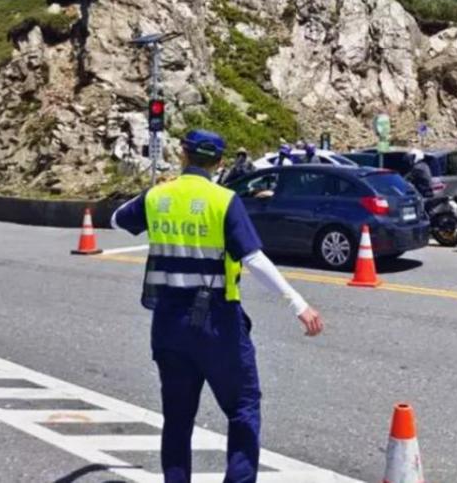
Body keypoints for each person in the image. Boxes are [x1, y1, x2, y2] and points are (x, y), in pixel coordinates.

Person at [111, 129, 324, 483]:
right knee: (243, 408)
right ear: (220, 162)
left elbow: (117, 219)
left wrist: (158, 190)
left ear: (183, 155)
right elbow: (253, 258)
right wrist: (297, 303)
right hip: (217, 322)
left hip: (167, 322)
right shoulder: (224, 200)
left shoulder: (157, 197)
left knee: (177, 419)